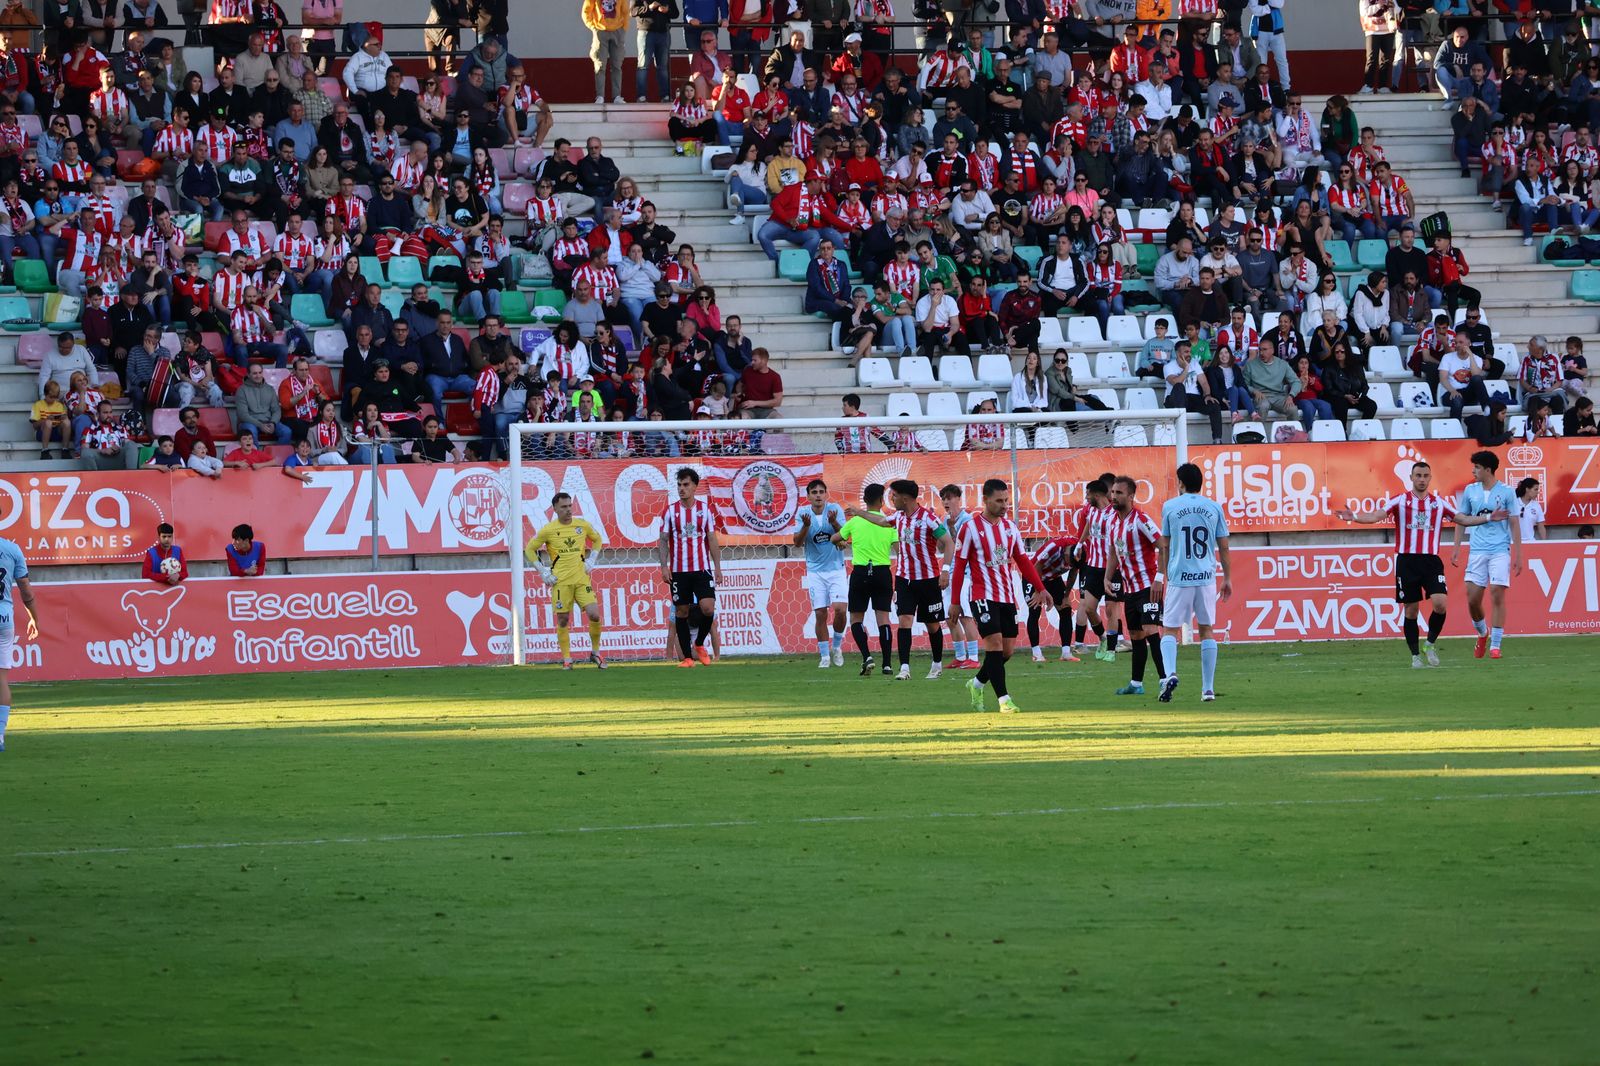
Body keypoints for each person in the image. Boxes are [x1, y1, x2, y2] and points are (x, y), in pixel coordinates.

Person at [1336, 460, 1503, 669]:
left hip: (1431, 560)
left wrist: (1488, 517)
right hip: (1407, 560)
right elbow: (1377, 516)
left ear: (1430, 478)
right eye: (1418, 476)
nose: (1422, 479)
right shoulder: (1400, 501)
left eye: (1425, 476)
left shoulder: (1438, 503)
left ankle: (1430, 644)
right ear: (1411, 478)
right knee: (1411, 611)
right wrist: (1355, 517)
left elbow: (1462, 519)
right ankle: (1415, 656)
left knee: (1440, 604)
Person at [949, 479, 1045, 715]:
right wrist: (954, 601)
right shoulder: (969, 528)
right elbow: (960, 565)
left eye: (1006, 500)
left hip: (1006, 597)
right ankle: (1004, 700)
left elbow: (1023, 560)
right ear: (986, 500)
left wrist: (1041, 588)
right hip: (982, 595)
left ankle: (977, 683)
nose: (1004, 505)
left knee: (1006, 652)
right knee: (993, 645)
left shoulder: (1010, 528)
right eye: (999, 501)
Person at [1157, 462, 1231, 704]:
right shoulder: (1214, 508)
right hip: (1206, 578)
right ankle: (1207, 690)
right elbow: (1224, 546)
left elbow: (1165, 544)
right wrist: (1227, 578)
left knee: (1169, 629)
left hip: (1180, 577)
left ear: (1180, 483)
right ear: (1201, 483)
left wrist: (1164, 574)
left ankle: (1170, 674)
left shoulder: (1170, 506)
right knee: (1207, 630)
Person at [1453, 451, 1522, 661]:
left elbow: (1514, 523)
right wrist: (1456, 548)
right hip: (1476, 551)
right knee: (1473, 600)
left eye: (1477, 467)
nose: (1473, 471)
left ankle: (1496, 645)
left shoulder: (1507, 492)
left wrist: (1518, 555)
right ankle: (1483, 633)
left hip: (1500, 550)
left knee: (1497, 593)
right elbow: (1460, 518)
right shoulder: (1470, 491)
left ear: (1488, 469)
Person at [527, 491, 608, 670]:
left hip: (581, 579)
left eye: (570, 506)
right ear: (555, 509)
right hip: (561, 582)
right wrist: (543, 572)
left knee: (594, 614)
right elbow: (529, 549)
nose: (569, 510)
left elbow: (597, 539)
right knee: (563, 620)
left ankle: (595, 653)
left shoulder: (582, 525)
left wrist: (591, 560)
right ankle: (567, 658)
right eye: (564, 507)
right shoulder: (548, 530)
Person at [1104, 475, 1167, 697]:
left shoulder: (1140, 519)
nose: (1114, 496)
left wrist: (1159, 577)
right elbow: (1113, 552)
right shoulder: (1111, 520)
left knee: (1151, 631)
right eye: (1113, 492)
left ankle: (1164, 680)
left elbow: (1163, 545)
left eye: (1119, 493)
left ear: (1131, 496)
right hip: (1129, 588)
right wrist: (1107, 577)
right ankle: (1136, 684)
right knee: (1136, 636)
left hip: (1148, 586)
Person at [832, 481, 898, 676]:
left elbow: (834, 538)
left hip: (860, 572)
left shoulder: (854, 521)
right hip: (882, 573)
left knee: (856, 619)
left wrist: (843, 541)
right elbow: (898, 549)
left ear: (865, 500)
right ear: (881, 500)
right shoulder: (888, 522)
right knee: (883, 619)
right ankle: (887, 664)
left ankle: (867, 657)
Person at [659, 467, 722, 667]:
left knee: (707, 608)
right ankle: (687, 658)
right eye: (679, 485)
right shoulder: (670, 511)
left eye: (686, 485)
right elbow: (662, 540)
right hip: (679, 571)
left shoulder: (705, 510)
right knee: (682, 613)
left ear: (695, 486)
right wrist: (663, 566)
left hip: (702, 569)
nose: (681, 489)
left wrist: (718, 567)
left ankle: (699, 643)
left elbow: (712, 539)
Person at [793, 478, 848, 669]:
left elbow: (845, 535)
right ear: (808, 496)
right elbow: (798, 543)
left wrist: (833, 523)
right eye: (814, 492)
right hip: (816, 571)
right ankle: (824, 656)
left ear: (826, 494)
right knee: (820, 613)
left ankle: (837, 646)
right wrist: (806, 526)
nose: (818, 495)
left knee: (841, 609)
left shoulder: (835, 510)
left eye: (821, 492)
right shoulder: (802, 514)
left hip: (836, 569)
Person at [0, 533, 39, 752]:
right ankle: (0, 736)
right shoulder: (12, 549)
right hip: (4, 618)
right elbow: (25, 588)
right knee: (1, 679)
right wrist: (34, 617)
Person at [1517, 478, 1546, 543]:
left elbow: (1541, 526)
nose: (1537, 492)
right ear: (1527, 489)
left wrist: (1545, 544)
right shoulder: (1513, 503)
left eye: (1538, 490)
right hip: (1513, 543)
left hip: (1530, 543)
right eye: (1535, 489)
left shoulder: (1536, 505)